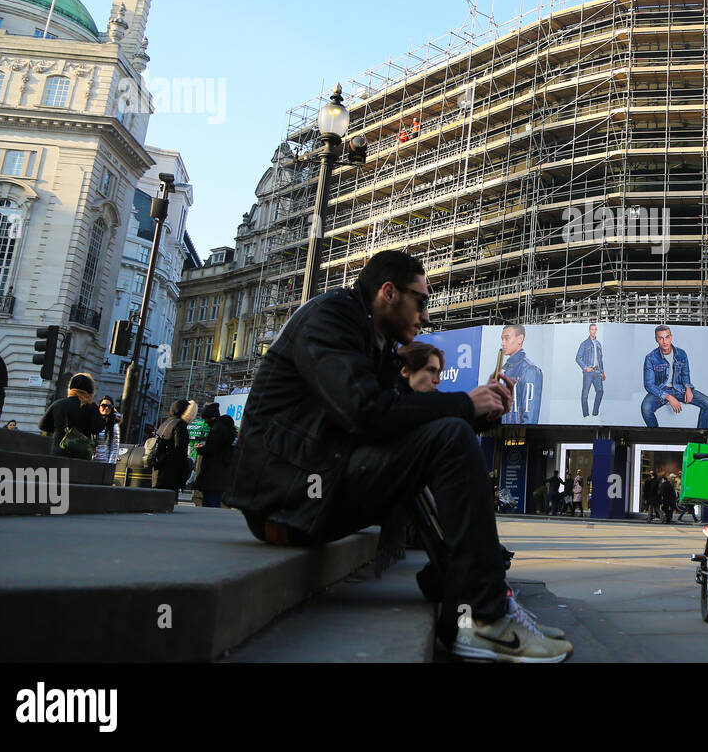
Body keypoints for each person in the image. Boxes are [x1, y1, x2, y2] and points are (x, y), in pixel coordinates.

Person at [224, 248, 571, 662]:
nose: (425, 317)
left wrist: (482, 411)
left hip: (313, 483)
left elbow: (408, 422)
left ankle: (480, 603)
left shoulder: (373, 338)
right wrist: (464, 405)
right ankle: (484, 618)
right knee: (448, 436)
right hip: (285, 499)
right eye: (420, 301)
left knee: (449, 435)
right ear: (388, 292)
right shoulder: (329, 319)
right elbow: (366, 411)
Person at [640, 326, 708, 428]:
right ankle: (657, 435)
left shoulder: (681, 354)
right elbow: (649, 385)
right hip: (661, 390)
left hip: (679, 388)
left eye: (667, 337)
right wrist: (669, 397)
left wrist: (688, 389)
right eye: (661, 338)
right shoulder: (651, 358)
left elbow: (685, 374)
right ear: (656, 339)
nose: (664, 341)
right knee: (646, 408)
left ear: (671, 337)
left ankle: (700, 437)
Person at [39, 373, 100, 458]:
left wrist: (59, 429)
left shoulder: (58, 404)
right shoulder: (91, 407)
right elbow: (97, 428)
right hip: (81, 456)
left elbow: (43, 426)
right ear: (90, 390)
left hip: (58, 452)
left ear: (70, 388)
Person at [193, 403, 238, 508]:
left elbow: (211, 449)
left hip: (213, 471)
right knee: (215, 500)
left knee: (210, 502)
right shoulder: (226, 428)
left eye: (206, 419)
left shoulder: (217, 429)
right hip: (221, 471)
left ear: (211, 417)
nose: (205, 421)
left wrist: (200, 449)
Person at [498, 325, 543, 424]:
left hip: (517, 437)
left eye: (507, 338)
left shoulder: (530, 370)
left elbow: (530, 419)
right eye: (502, 339)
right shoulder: (508, 370)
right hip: (506, 435)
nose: (503, 343)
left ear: (520, 339)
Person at [150, 400, 196, 495]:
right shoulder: (180, 424)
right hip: (171, 474)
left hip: (159, 470)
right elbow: (180, 450)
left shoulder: (166, 422)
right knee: (167, 504)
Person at [575, 324, 605, 419]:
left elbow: (600, 360)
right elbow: (578, 358)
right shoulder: (584, 344)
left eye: (595, 329)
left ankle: (595, 413)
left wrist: (603, 372)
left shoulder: (599, 344)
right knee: (585, 394)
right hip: (588, 372)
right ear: (589, 330)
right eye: (592, 329)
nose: (594, 331)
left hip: (597, 372)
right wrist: (585, 368)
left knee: (600, 391)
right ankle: (586, 415)